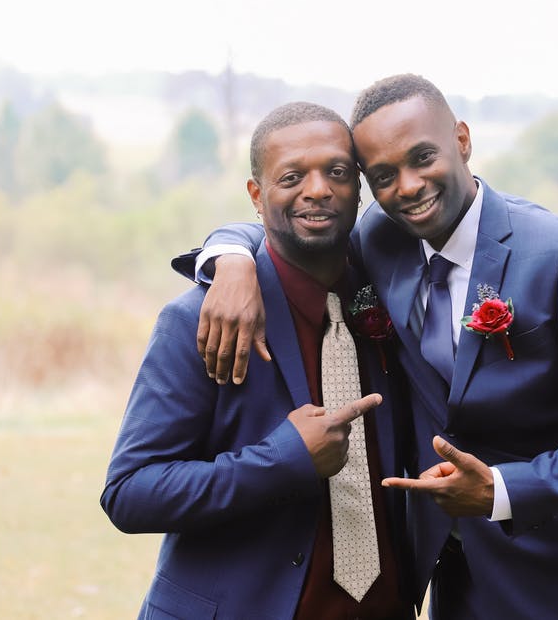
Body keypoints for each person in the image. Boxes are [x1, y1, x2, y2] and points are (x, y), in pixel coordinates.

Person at [191, 74, 558, 619]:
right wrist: (229, 258)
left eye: (423, 158)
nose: (409, 185)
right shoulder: (383, 240)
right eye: (383, 175)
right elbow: (296, 222)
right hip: (460, 583)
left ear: (462, 140)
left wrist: (505, 489)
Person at [101, 102, 417, 619]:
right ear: (256, 193)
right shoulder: (200, 320)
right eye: (292, 176)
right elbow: (130, 493)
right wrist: (283, 459)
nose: (317, 189)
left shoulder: (389, 290)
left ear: (358, 184)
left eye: (336, 172)